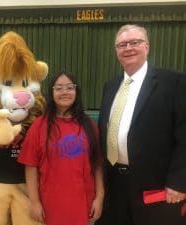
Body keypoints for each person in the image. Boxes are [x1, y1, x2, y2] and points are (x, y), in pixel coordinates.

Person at [97, 24, 186, 225]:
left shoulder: (173, 82)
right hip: (114, 182)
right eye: (121, 45)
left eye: (134, 42)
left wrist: (180, 181)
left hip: (156, 185)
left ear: (147, 46)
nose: (127, 48)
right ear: (116, 51)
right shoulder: (110, 86)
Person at [18, 71, 104, 225]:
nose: (64, 92)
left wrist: (100, 197)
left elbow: (97, 165)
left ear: (76, 92)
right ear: (51, 93)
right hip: (50, 204)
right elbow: (30, 166)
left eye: (70, 87)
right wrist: (34, 202)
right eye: (58, 88)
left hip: (84, 203)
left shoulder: (89, 125)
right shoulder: (39, 125)